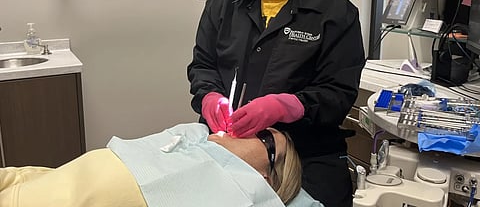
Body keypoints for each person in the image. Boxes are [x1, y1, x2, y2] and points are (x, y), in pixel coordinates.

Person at [187, 0, 365, 207]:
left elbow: (338, 94)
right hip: (231, 142)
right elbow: (202, 65)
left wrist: (288, 106)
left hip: (306, 151)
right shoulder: (222, 5)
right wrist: (209, 98)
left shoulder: (337, 15)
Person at [0, 123, 304, 207]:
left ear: (266, 177)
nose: (249, 128)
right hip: (31, 181)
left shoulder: (243, 195)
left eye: (265, 135)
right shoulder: (192, 140)